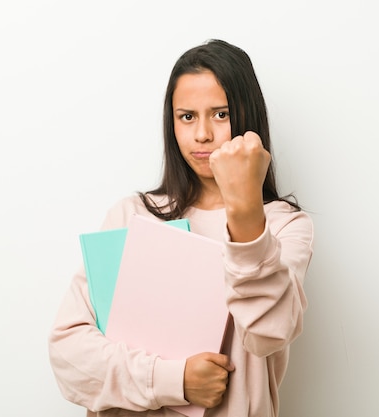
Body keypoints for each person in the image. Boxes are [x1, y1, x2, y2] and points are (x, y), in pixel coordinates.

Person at [48, 39, 314, 417]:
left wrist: (245, 209)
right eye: (186, 116)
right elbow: (69, 356)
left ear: (247, 116)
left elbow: (266, 333)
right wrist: (175, 380)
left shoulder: (284, 225)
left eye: (220, 114)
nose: (202, 134)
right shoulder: (133, 215)